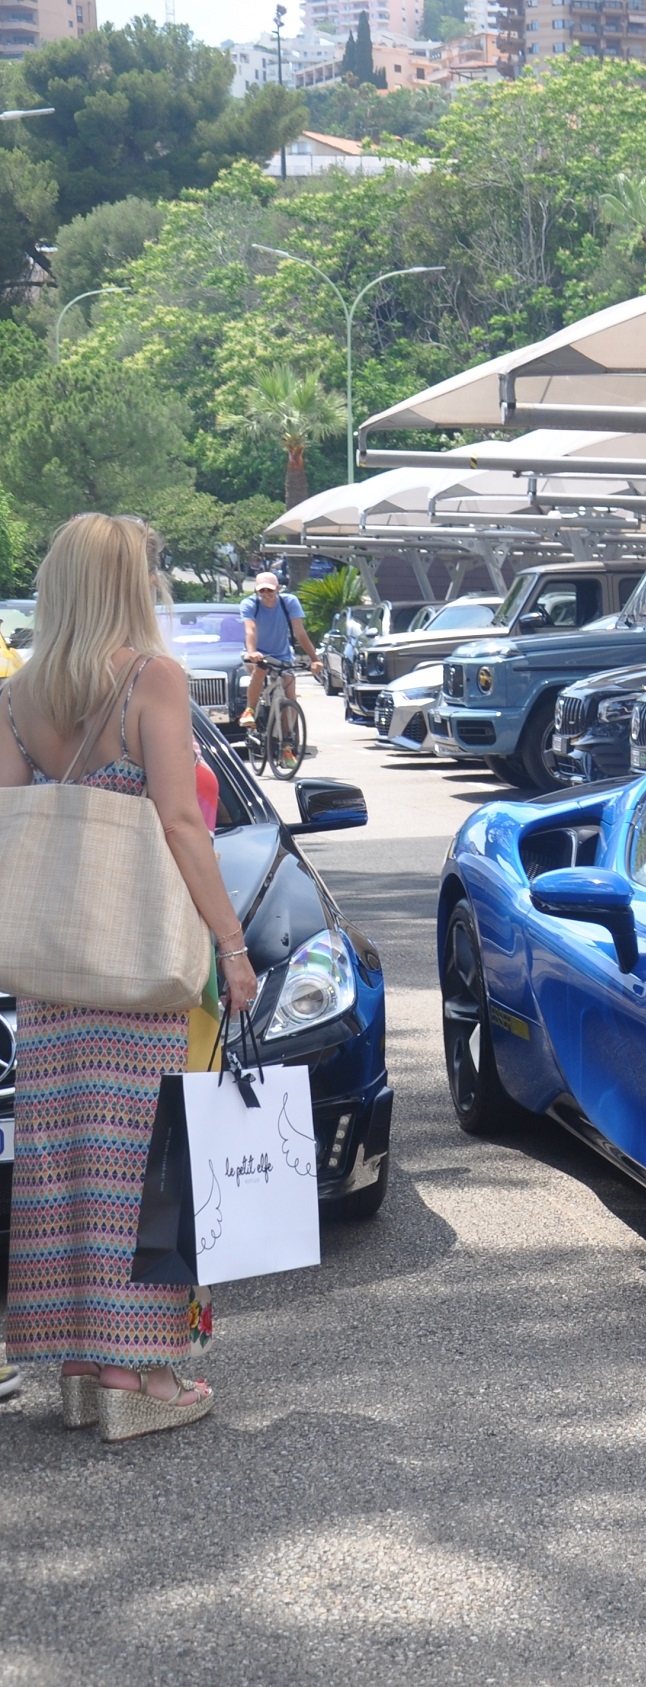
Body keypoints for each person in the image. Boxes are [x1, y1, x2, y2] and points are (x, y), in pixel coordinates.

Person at [0, 514, 257, 1444]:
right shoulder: (153, 678)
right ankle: (131, 1375)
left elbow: (14, 824)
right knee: (134, 1161)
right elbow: (182, 825)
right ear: (127, 586)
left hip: (53, 964)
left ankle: (76, 1367)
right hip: (137, 963)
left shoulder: (17, 696)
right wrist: (230, 944)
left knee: (64, 1156)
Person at [239, 569, 318, 736]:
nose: (266, 594)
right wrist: (252, 653)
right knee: (260, 671)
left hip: (282, 655)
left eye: (270, 590)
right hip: (258, 654)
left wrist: (315, 659)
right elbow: (250, 630)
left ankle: (287, 742)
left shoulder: (289, 602)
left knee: (290, 695)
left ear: (278, 588)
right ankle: (250, 711)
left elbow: (300, 633)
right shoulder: (249, 604)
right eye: (262, 590)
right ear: (256, 590)